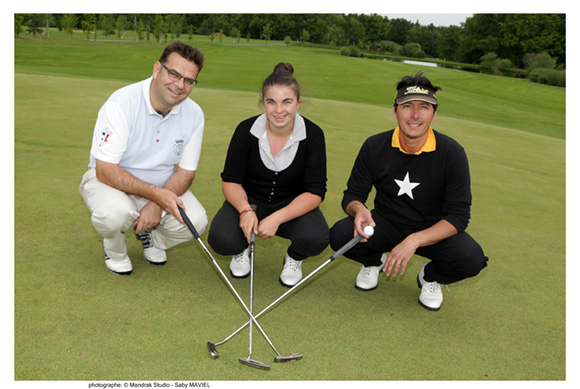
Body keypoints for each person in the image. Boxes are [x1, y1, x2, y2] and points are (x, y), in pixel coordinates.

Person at [329, 71, 488, 311]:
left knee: (471, 258)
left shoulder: (452, 154)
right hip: (385, 225)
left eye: (424, 107)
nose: (415, 115)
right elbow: (352, 195)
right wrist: (359, 209)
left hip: (432, 231)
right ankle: (374, 262)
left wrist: (414, 240)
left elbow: (459, 216)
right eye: (407, 107)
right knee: (340, 234)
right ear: (394, 111)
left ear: (434, 114)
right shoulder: (374, 146)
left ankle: (431, 277)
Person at [79, 41, 208, 276]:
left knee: (196, 222)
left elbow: (185, 173)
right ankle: (115, 250)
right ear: (157, 69)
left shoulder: (194, 114)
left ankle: (151, 237)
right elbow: (105, 170)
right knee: (115, 214)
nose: (179, 85)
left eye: (189, 80)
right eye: (174, 74)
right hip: (110, 184)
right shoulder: (121, 103)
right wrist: (157, 197)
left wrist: (157, 204)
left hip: (159, 187)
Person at [208, 62, 329, 287]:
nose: (278, 110)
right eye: (270, 101)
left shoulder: (313, 135)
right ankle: (241, 249)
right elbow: (231, 181)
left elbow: (315, 192)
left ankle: (294, 258)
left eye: (287, 102)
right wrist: (245, 210)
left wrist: (276, 218)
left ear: (298, 102)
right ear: (262, 102)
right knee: (221, 239)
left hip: (291, 206)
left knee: (316, 238)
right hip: (249, 202)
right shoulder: (245, 130)